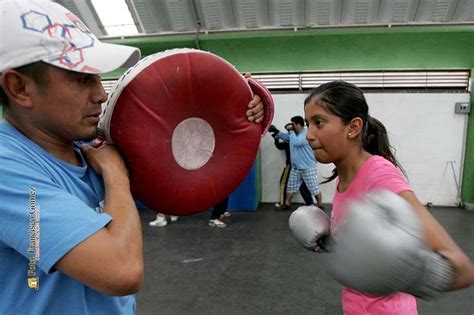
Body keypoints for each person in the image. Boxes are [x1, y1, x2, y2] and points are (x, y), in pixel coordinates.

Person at [0, 1, 265, 313]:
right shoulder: (9, 170)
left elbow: (185, 135)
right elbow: (122, 271)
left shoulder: (83, 145)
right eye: (82, 79)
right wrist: (115, 175)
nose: (100, 94)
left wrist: (248, 104)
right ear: (20, 88)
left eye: (97, 78)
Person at [302, 80, 474, 314]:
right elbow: (368, 250)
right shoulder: (344, 176)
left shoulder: (378, 175)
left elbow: (462, 269)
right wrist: (334, 243)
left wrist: (408, 273)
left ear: (352, 128)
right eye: (307, 123)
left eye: (318, 123)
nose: (308, 135)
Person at [274, 116, 322, 210]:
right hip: (296, 167)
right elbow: (288, 138)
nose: (292, 126)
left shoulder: (306, 134)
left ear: (298, 124)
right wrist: (276, 132)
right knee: (291, 186)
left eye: (293, 124)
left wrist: (291, 131)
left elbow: (297, 142)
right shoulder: (294, 135)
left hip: (307, 167)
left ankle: (320, 205)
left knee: (314, 187)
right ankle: (287, 204)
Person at [269, 124, 314, 208]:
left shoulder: (299, 139)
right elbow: (280, 146)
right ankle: (309, 203)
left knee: (285, 183)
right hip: (299, 165)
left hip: (295, 165)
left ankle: (284, 203)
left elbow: (287, 142)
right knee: (302, 185)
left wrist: (276, 133)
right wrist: (276, 136)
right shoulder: (292, 139)